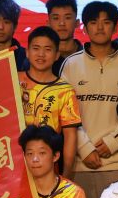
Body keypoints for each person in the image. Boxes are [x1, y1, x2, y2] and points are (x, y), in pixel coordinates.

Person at [65, 0, 118, 198]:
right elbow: (64, 113)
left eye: (106, 22)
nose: (100, 27)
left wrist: (114, 142)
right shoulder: (71, 64)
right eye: (94, 22)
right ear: (85, 28)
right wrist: (84, 148)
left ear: (115, 27)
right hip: (80, 164)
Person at [18, 27, 82, 176]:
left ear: (57, 55)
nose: (41, 54)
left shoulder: (65, 90)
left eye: (47, 49)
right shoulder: (13, 78)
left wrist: (66, 174)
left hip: (48, 166)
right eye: (36, 48)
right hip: (13, 163)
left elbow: (70, 136)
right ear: (27, 52)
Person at [46, 0, 82, 71]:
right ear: (48, 23)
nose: (62, 23)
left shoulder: (90, 56)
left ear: (77, 23)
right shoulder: (39, 59)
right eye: (56, 18)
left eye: (67, 18)